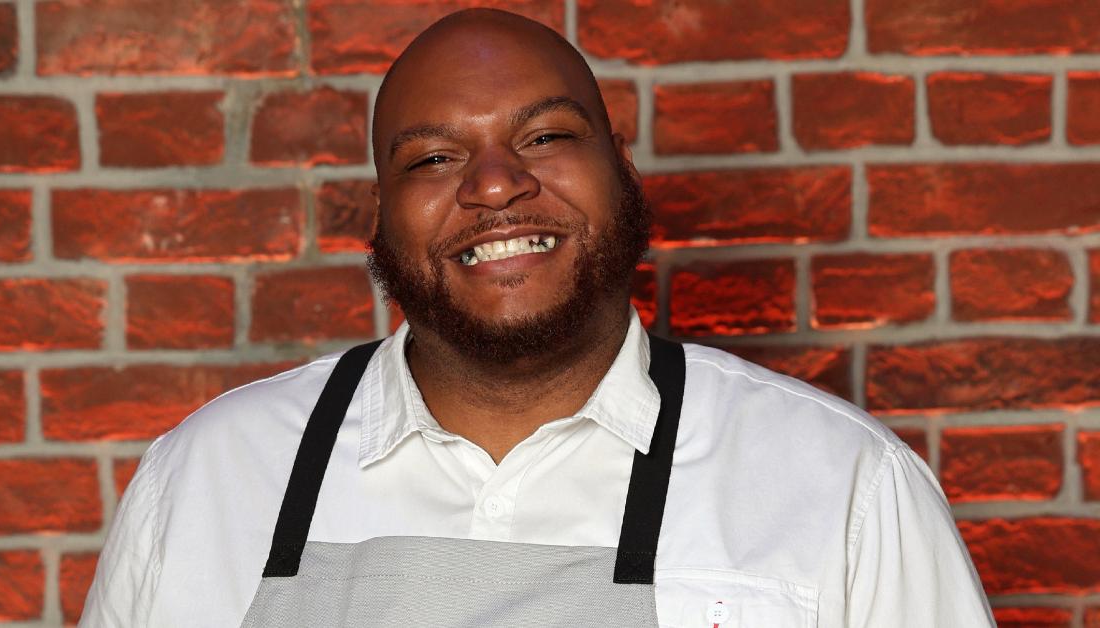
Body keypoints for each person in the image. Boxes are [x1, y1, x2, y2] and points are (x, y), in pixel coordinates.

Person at [81, 8, 995, 627]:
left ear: (620, 170)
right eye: (434, 158)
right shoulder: (202, 481)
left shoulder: (844, 490)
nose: (494, 184)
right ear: (377, 216)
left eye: (545, 138)